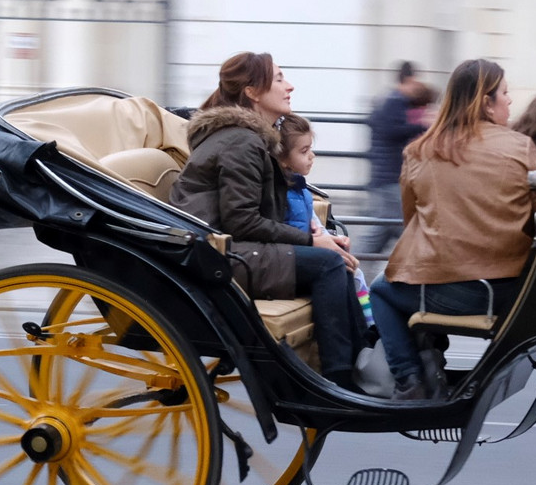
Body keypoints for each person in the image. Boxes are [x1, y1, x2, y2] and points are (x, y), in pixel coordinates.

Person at [171, 52, 364, 392]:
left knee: (337, 262)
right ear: (252, 92)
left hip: (234, 249)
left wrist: (317, 236)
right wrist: (310, 242)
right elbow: (242, 221)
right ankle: (339, 381)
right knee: (329, 264)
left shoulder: (248, 137)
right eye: (278, 79)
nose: (289, 86)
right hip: (222, 257)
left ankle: (364, 360)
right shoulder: (240, 141)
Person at [370, 58, 536, 401]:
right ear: (486, 101)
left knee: (380, 290)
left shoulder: (420, 150)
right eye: (505, 93)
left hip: (451, 291)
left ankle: (409, 378)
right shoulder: (520, 147)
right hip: (512, 291)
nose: (510, 101)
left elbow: (412, 221)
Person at [275, 113, 376, 335]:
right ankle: (366, 328)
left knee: (354, 269)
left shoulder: (302, 191)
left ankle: (367, 326)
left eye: (310, 149)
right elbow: (286, 230)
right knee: (348, 270)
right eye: (304, 151)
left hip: (308, 247)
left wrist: (332, 240)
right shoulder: (285, 193)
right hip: (297, 252)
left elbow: (314, 225)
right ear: (283, 159)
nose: (312, 156)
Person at [363, 61, 434, 256]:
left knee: (383, 230)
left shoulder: (388, 99)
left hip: (386, 175)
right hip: (390, 176)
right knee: (399, 228)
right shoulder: (395, 101)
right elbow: (391, 131)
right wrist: (422, 125)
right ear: (409, 80)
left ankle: (354, 267)